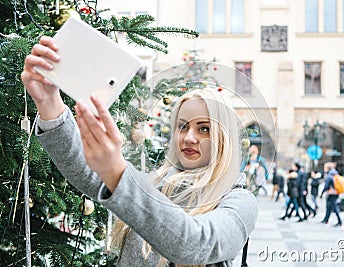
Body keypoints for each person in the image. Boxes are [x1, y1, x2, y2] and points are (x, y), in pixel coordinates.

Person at [21, 36, 258, 266]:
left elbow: (196, 242)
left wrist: (117, 171)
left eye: (204, 128)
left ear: (224, 138)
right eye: (182, 126)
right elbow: (90, 174)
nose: (189, 137)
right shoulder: (156, 182)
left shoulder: (238, 201)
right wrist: (49, 102)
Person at [320, 162, 343, 227]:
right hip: (335, 192)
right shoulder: (335, 173)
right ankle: (326, 219)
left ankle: (340, 221)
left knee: (334, 207)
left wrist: (322, 193)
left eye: (325, 167)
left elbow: (326, 185)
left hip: (331, 193)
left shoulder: (329, 175)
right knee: (329, 207)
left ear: (327, 168)